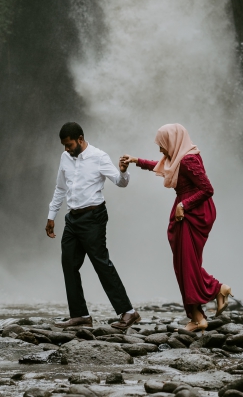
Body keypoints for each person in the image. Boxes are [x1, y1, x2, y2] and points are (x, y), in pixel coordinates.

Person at [122, 123, 231, 331]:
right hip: (186, 210)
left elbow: (208, 189)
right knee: (185, 264)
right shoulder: (181, 157)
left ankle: (202, 312)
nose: (161, 149)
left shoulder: (188, 160)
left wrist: (184, 205)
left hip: (193, 212)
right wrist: (136, 161)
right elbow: (163, 166)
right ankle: (203, 310)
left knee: (186, 264)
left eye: (162, 145)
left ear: (172, 142)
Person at [46, 122, 141, 330]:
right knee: (68, 264)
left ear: (80, 139)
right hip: (72, 218)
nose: (66, 149)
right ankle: (80, 315)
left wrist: (124, 172)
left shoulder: (99, 156)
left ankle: (129, 312)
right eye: (63, 145)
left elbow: (120, 182)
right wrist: (51, 215)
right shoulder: (65, 158)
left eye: (69, 144)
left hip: (93, 216)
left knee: (101, 263)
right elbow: (60, 188)